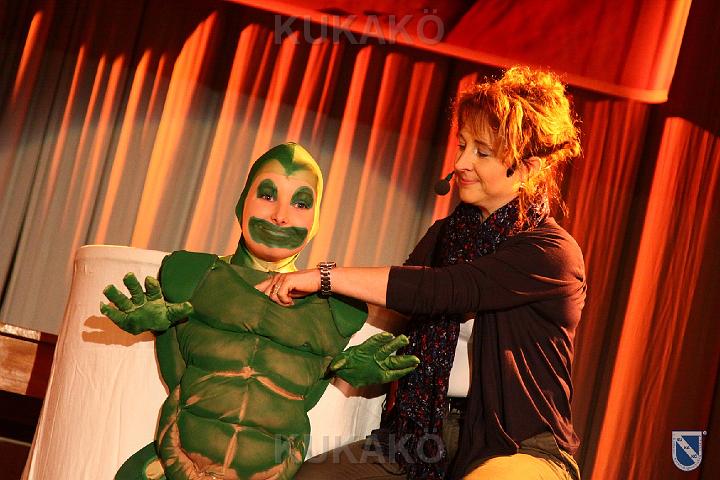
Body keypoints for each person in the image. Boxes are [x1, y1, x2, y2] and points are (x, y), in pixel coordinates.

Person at [257, 67, 586, 480]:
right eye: (462, 145)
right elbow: (391, 313)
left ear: (528, 168)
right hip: (422, 435)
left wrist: (324, 275)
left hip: (519, 445)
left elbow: (441, 290)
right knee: (314, 477)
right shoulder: (445, 236)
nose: (461, 163)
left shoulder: (551, 253)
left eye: (482, 153)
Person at [100, 142, 419, 480]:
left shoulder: (340, 308)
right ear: (242, 203)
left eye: (301, 203)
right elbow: (176, 362)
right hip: (176, 460)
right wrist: (158, 324)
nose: (281, 216)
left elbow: (315, 384)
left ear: (315, 219)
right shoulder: (191, 275)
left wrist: (350, 369)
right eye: (267, 195)